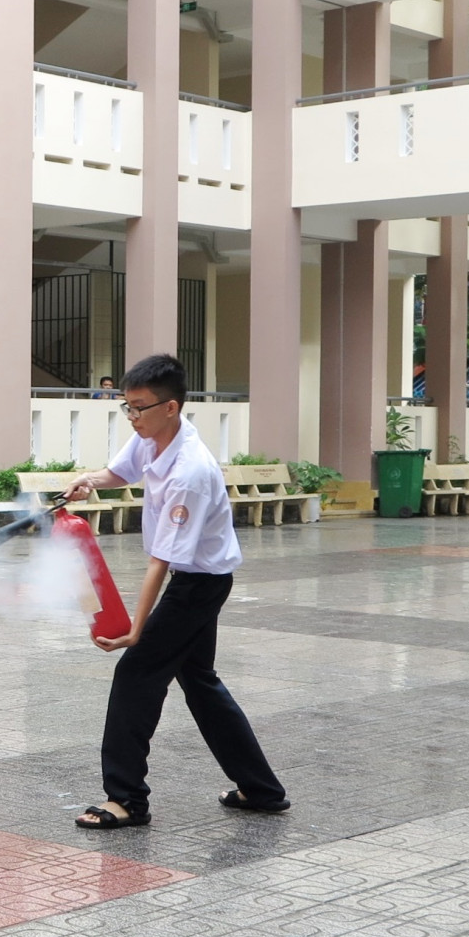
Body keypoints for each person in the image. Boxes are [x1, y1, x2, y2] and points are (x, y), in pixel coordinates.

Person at [63, 353, 289, 830]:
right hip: (196, 579)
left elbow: (159, 563)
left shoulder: (190, 472)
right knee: (200, 683)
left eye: (139, 408)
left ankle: (126, 799)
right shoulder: (151, 437)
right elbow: (119, 473)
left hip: (199, 584)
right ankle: (262, 790)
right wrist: (88, 482)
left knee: (136, 674)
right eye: (126, 407)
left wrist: (134, 632)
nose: (132, 417)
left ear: (170, 407)